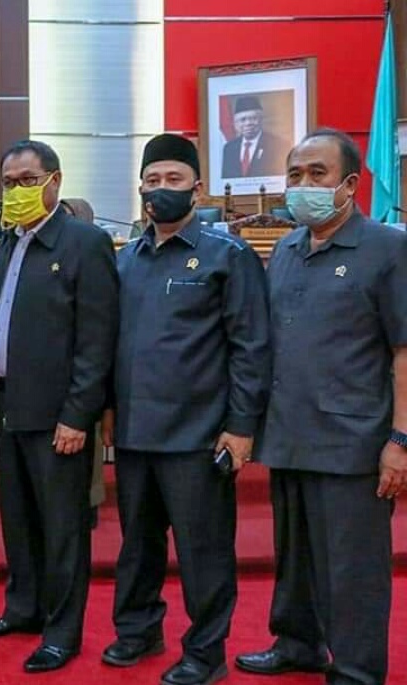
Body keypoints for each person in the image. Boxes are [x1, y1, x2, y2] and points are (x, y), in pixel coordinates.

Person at [236, 128, 407, 685]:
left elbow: (404, 351)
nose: (303, 185)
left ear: (349, 184)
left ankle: (356, 669)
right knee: (295, 557)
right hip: (289, 432)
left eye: (317, 174)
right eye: (295, 174)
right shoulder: (285, 250)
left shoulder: (387, 248)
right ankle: (298, 644)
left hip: (353, 442)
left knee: (352, 568)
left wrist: (400, 439)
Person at [102, 134, 271, 685]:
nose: (161, 190)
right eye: (152, 181)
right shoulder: (126, 260)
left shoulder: (229, 256)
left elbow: (251, 347)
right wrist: (109, 409)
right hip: (135, 431)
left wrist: (241, 427)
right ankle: (138, 630)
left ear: (197, 189)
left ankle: (205, 652)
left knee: (204, 552)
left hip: (199, 435)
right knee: (138, 544)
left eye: (173, 180)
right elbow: (112, 344)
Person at [0, 140, 119, 674]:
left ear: (54, 181)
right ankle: (23, 608)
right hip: (10, 403)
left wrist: (79, 414)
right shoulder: (10, 240)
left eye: (27, 181)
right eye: (8, 183)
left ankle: (62, 631)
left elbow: (97, 340)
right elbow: (0, 320)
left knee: (62, 527)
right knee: (19, 518)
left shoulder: (85, 242)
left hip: (59, 415)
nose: (16, 191)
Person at [220, 95, 290, 179]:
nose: (248, 123)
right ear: (236, 123)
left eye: (253, 118)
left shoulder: (278, 145)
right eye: (243, 120)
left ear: (261, 120)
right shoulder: (229, 148)